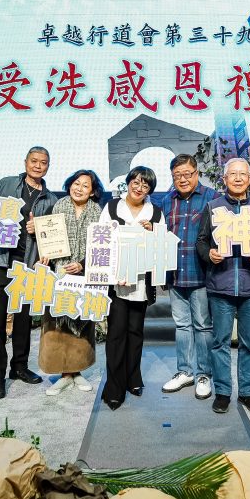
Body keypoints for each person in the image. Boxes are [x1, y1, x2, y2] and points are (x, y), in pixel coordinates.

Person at [0, 147, 57, 400]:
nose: (38, 166)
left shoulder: (51, 199)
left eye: (43, 162)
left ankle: (19, 367)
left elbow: (53, 235)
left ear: (48, 166)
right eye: (34, 161)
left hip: (27, 264)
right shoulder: (6, 184)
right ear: (25, 162)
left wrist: (39, 229)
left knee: (23, 319)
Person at [196, 158, 250, 415]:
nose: (238, 178)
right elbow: (201, 241)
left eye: (242, 174)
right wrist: (209, 254)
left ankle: (248, 392)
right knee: (220, 342)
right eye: (233, 174)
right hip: (221, 285)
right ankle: (223, 392)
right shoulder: (213, 207)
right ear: (224, 179)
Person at [99, 166, 163, 410]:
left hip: (141, 282)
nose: (139, 188)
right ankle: (114, 387)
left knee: (136, 333)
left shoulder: (155, 212)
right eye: (136, 182)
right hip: (117, 282)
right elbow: (101, 241)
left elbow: (161, 245)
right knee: (116, 334)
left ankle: (133, 378)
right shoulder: (112, 207)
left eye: (145, 185)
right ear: (127, 183)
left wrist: (154, 231)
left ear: (150, 190)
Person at [40, 170, 104, 396]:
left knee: (83, 323)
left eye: (85, 186)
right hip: (59, 273)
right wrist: (46, 254)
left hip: (84, 276)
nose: (79, 188)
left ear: (92, 192)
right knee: (58, 324)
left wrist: (83, 264)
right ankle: (64, 374)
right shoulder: (57, 206)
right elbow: (47, 238)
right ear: (69, 185)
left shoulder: (97, 211)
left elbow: (101, 246)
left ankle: (77, 372)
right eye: (76, 183)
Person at [160, 154, 218, 400]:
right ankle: (185, 371)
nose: (182, 179)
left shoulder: (212, 198)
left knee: (203, 325)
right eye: (177, 176)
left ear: (197, 173)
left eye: (187, 174)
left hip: (201, 273)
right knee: (182, 325)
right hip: (175, 273)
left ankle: (204, 374)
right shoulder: (167, 200)